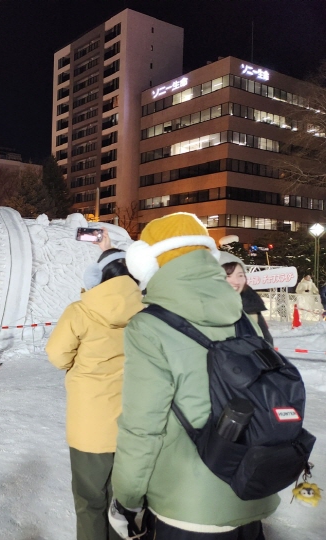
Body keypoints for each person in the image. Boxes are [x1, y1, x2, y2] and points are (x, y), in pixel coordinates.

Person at [110, 213, 278, 539]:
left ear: (147, 261)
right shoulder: (244, 317)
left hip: (187, 505)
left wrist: (127, 499)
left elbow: (143, 426)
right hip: (249, 489)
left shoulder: (149, 327)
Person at [46, 229, 143, 540]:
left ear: (96, 278)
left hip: (89, 425)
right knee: (122, 505)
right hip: (132, 422)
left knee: (90, 502)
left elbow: (58, 356)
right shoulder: (147, 312)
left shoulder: (81, 311)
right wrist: (110, 248)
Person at [219, 252, 273, 346]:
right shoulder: (199, 308)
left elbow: (266, 344)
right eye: (228, 276)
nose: (236, 282)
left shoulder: (251, 306)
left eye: (240, 275)